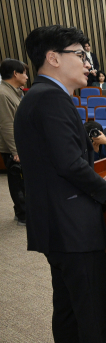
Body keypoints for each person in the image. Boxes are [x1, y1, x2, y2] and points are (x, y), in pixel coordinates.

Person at [14, 25, 106, 342]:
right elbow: (69, 163)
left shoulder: (35, 97)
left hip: (54, 223)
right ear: (53, 58)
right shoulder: (52, 100)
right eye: (81, 54)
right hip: (72, 226)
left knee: (68, 308)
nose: (89, 63)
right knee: (91, 312)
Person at [0, 58, 28, 226]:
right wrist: (15, 151)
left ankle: (25, 211)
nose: (26, 76)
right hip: (13, 147)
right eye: (24, 72)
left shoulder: (14, 90)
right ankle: (23, 214)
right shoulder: (3, 93)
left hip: (20, 143)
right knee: (17, 181)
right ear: (15, 73)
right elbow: (7, 124)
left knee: (24, 180)